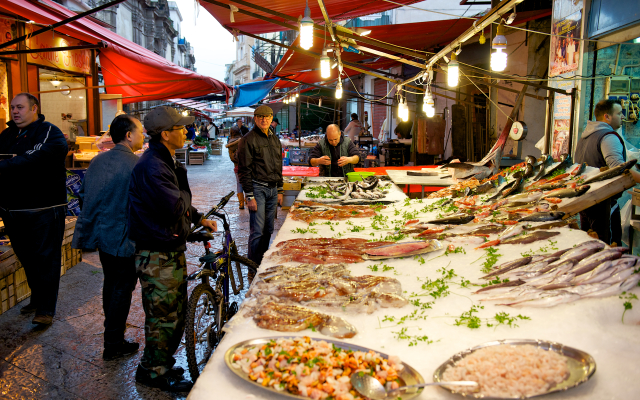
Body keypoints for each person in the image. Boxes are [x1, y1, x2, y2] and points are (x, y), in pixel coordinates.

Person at [128, 106, 217, 392]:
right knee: (162, 316)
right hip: (156, 253)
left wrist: (199, 215)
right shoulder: (154, 166)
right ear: (165, 135)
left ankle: (161, 363)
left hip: (168, 247)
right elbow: (174, 206)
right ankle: (153, 372)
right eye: (180, 128)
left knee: (174, 312)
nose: (186, 132)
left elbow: (181, 204)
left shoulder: (163, 160)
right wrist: (182, 175)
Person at [72, 114, 144, 359]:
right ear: (128, 135)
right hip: (124, 236)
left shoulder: (97, 162)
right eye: (140, 131)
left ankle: (112, 337)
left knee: (111, 283)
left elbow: (83, 195)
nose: (142, 136)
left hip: (102, 235)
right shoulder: (135, 164)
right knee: (122, 288)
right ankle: (113, 343)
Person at [0, 93, 68, 326]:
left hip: (44, 209)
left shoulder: (50, 131)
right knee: (27, 258)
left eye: (20, 107)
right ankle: (37, 297)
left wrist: (9, 164)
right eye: (12, 108)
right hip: (13, 211)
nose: (15, 112)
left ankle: (46, 310)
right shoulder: (7, 135)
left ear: (34, 109)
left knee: (46, 259)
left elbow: (35, 159)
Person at [575, 99, 640, 245]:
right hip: (603, 205)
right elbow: (620, 169)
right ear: (607, 117)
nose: (623, 117)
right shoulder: (608, 137)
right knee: (607, 250)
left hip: (586, 203)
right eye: (619, 113)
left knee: (590, 247)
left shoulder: (586, 137)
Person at [237, 105, 283, 267]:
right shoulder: (248, 140)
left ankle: (262, 261)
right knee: (257, 231)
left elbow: (278, 164)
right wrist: (249, 196)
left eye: (267, 116)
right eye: (260, 116)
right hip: (257, 189)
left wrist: (280, 189)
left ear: (271, 119)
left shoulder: (274, 138)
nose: (264, 119)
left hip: (272, 189)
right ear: (255, 119)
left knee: (268, 229)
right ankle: (253, 265)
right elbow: (244, 170)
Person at [225, 133, 245, 209]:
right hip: (245, 166)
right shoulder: (242, 141)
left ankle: (241, 203)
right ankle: (247, 199)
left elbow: (232, 158)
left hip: (237, 167)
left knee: (239, 184)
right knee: (247, 182)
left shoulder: (230, 145)